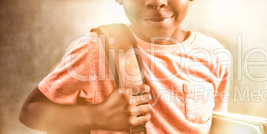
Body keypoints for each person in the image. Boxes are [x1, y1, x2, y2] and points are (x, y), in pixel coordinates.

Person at [19, 0, 231, 133]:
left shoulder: (215, 55)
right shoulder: (95, 49)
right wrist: (98, 116)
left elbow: (219, 126)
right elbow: (30, 112)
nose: (156, 2)